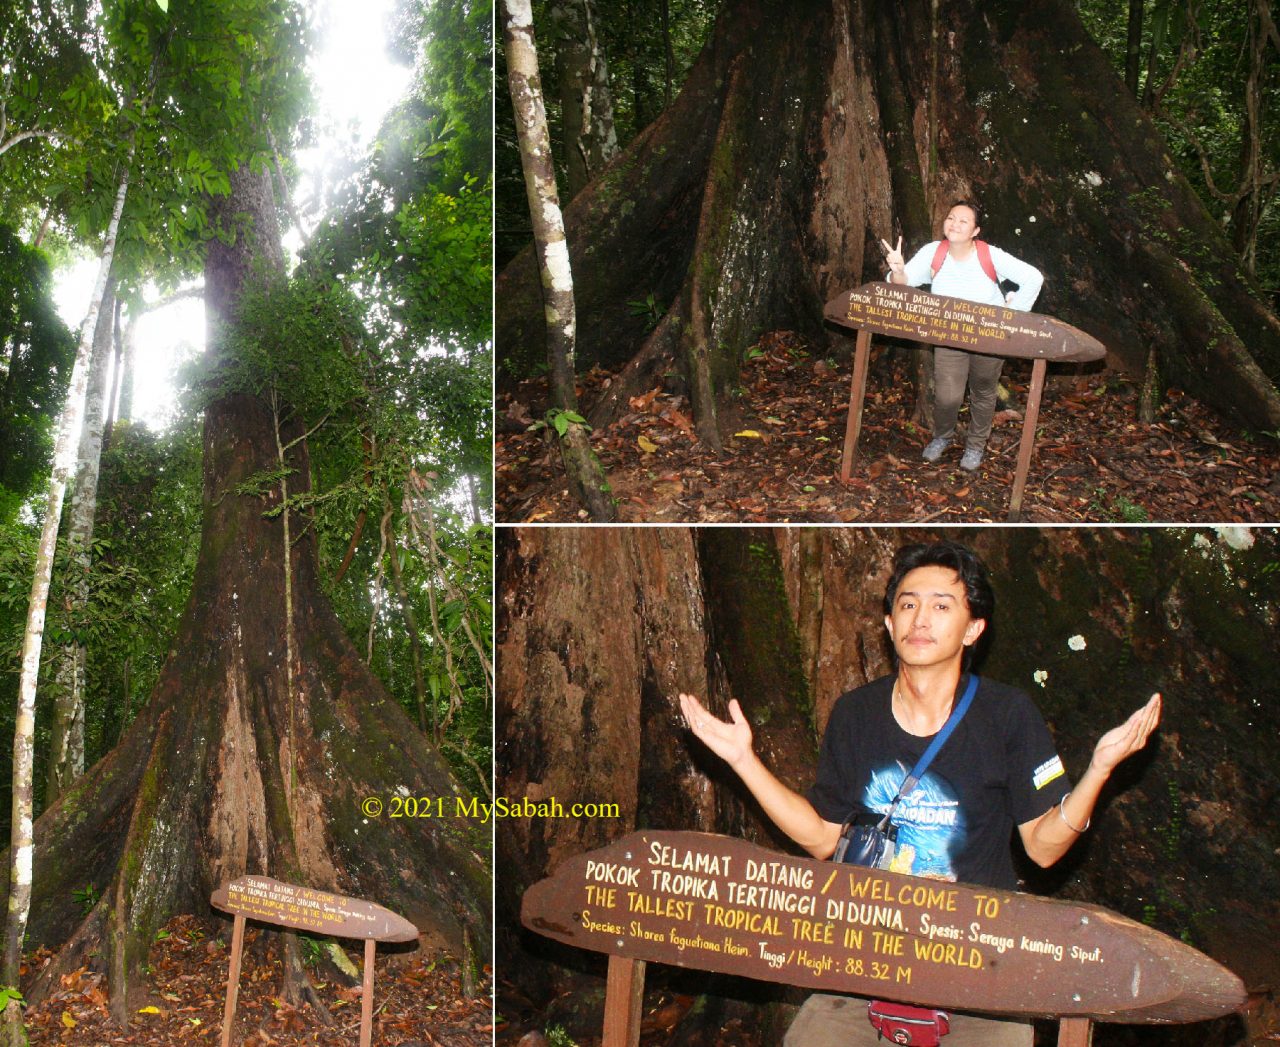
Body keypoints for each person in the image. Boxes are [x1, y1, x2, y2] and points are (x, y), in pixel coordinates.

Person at [680, 540, 1161, 1047]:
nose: (920, 619)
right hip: (866, 969)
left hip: (978, 973)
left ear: (974, 629)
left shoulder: (1008, 716)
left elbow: (1043, 848)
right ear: (889, 624)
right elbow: (823, 837)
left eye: (941, 605)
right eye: (907, 604)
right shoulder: (856, 714)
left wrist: (1098, 772)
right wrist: (742, 762)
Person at [880, 201, 1044, 472]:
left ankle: (975, 446)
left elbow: (1033, 278)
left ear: (975, 230)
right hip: (950, 335)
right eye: (951, 218)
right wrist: (898, 269)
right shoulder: (935, 252)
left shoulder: (990, 255)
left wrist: (1011, 315)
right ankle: (942, 436)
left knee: (982, 391)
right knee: (947, 396)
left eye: (964, 221)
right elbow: (903, 283)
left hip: (988, 338)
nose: (955, 224)